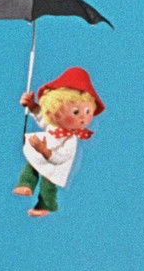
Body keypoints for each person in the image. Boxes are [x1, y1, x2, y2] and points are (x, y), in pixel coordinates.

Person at [13, 67, 105, 217]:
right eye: (76, 112)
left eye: (87, 112)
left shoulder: (70, 139)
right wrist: (31, 105)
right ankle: (26, 184)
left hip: (55, 162)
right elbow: (42, 117)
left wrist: (45, 151)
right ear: (53, 110)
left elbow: (62, 157)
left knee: (48, 183)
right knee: (31, 165)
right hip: (41, 150)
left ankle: (45, 204)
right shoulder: (53, 126)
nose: (83, 117)